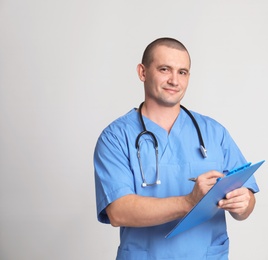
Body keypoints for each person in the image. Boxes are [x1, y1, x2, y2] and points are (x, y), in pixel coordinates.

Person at [94, 37, 259, 259]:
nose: (174, 80)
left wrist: (243, 204)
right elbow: (118, 211)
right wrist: (189, 202)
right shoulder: (116, 137)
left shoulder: (213, 132)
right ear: (142, 72)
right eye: (164, 69)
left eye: (182, 72)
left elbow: (246, 200)